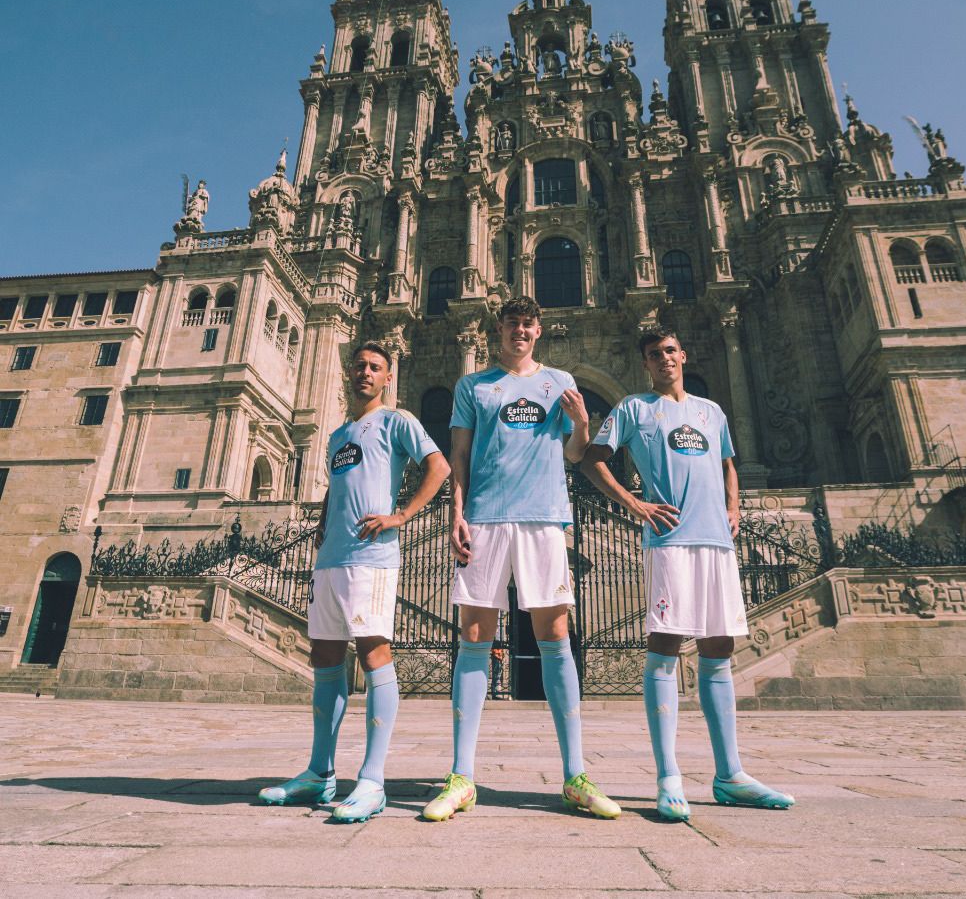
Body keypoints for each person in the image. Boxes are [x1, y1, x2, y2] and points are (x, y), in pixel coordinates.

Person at [581, 326, 795, 819]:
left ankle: (730, 774)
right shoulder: (635, 408)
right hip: (670, 540)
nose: (664, 359)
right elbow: (593, 460)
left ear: (683, 355)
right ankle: (668, 776)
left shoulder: (711, 411)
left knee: (719, 647)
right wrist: (635, 504)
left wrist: (734, 506)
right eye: (655, 354)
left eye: (671, 351)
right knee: (667, 647)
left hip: (717, 541)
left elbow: (727, 463)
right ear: (646, 364)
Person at [421, 296, 620, 821]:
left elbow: (576, 454)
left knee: (555, 637)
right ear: (500, 331)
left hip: (543, 518)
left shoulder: (558, 381)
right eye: (513, 325)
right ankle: (462, 777)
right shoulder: (473, 386)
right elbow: (458, 455)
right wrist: (456, 512)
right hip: (484, 518)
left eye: (529, 325)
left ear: (539, 332)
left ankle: (575, 775)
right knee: (473, 640)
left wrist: (580, 424)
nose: (521, 333)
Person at [259, 341, 449, 822]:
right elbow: (337, 487)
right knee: (324, 655)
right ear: (349, 373)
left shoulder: (398, 420)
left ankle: (372, 780)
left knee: (372, 652)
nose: (365, 372)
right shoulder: (338, 434)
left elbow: (439, 467)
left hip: (373, 555)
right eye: (359, 366)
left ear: (388, 377)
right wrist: (323, 525)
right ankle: (319, 773)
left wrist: (402, 514)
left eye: (375, 367)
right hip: (332, 558)